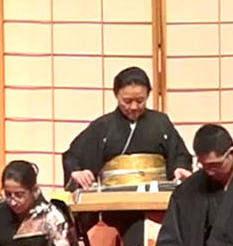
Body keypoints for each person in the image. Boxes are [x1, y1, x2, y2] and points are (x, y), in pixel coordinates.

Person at [63, 66, 193, 191]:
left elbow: (180, 155)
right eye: (127, 101)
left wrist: (179, 168)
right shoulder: (102, 126)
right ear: (116, 95)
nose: (134, 107)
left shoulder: (161, 122)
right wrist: (77, 172)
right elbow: (72, 156)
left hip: (155, 194)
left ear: (148, 95)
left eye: (140, 100)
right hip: (113, 199)